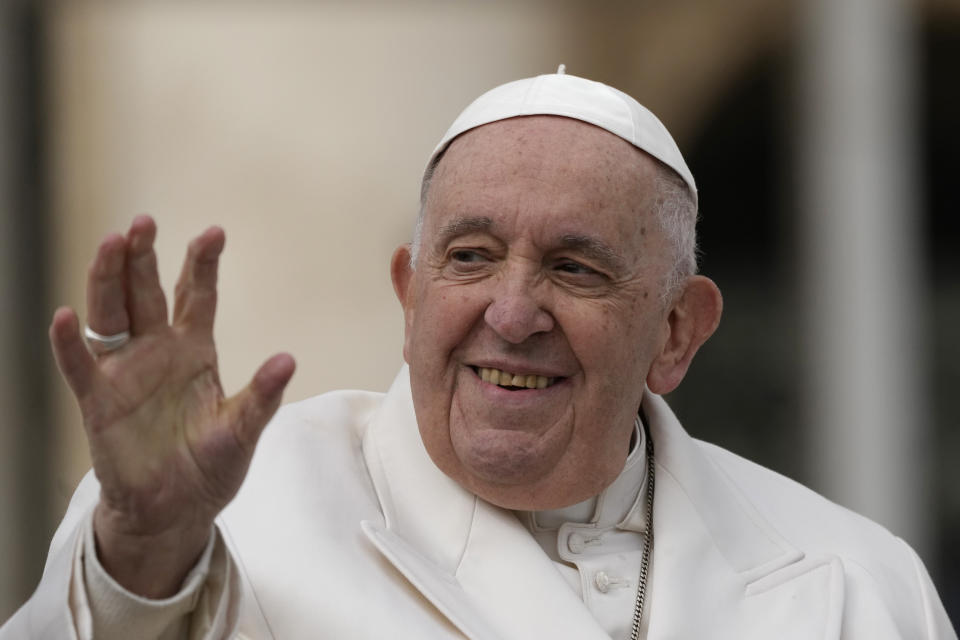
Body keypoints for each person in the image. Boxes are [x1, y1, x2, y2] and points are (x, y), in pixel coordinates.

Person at [2, 69, 956, 640]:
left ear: (677, 331)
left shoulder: (851, 583)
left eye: (575, 268)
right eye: (470, 257)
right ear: (409, 292)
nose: (512, 311)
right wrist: (140, 552)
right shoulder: (225, 520)